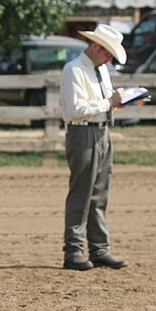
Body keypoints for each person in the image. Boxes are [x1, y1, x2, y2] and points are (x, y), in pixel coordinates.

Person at [60, 24, 129, 271]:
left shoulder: (101, 71)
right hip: (82, 132)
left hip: (102, 131)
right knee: (82, 192)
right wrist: (108, 102)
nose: (109, 59)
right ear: (96, 47)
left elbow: (102, 101)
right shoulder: (74, 70)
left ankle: (99, 249)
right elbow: (74, 110)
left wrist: (115, 103)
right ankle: (74, 250)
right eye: (107, 53)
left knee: (99, 193)